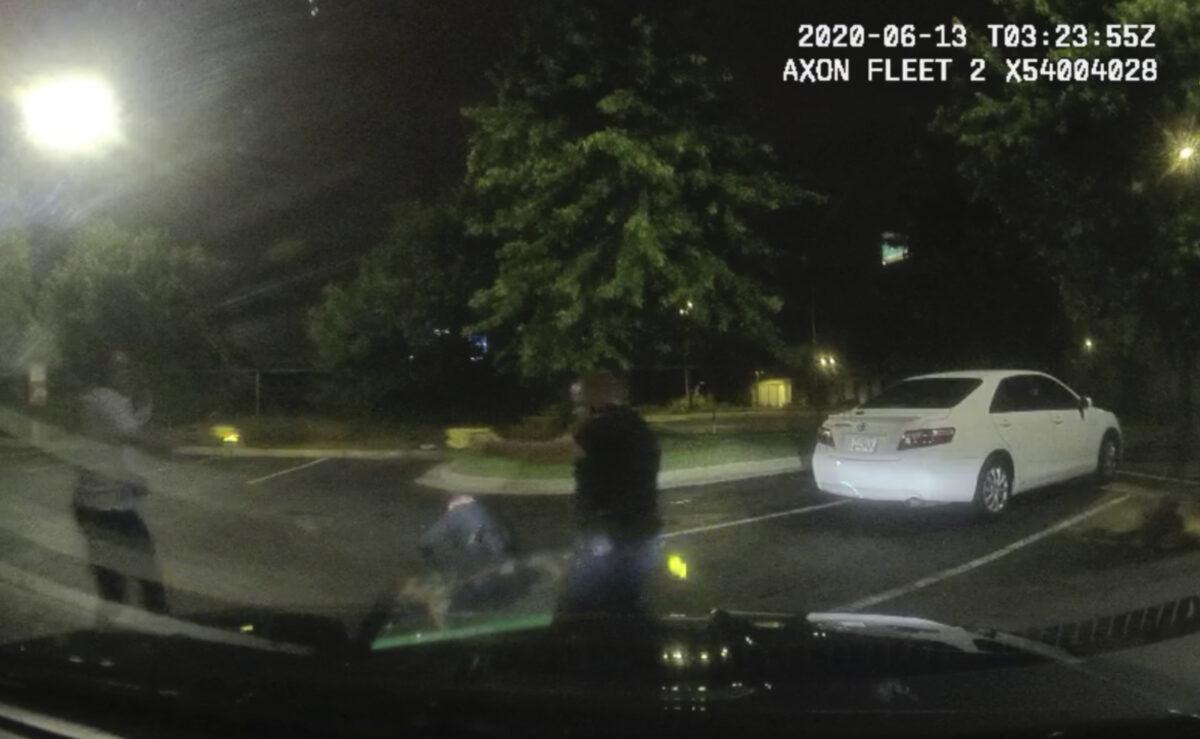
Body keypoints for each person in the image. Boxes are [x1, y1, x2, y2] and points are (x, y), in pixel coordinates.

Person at [480, 370, 662, 618]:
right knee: (622, 610)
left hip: (612, 540)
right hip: (639, 536)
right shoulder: (633, 423)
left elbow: (556, 451)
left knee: (578, 614)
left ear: (596, 397)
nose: (575, 410)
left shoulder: (607, 425)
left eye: (578, 402)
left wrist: (498, 448)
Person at [72, 349, 169, 617]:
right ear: (103, 371)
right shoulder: (106, 400)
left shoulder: (97, 399)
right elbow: (137, 437)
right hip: (105, 509)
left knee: (116, 585)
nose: (126, 372)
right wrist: (178, 441)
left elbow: (115, 441)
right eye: (119, 367)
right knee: (145, 581)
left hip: (101, 504)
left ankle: (112, 639)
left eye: (128, 367)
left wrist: (130, 480)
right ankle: (159, 638)